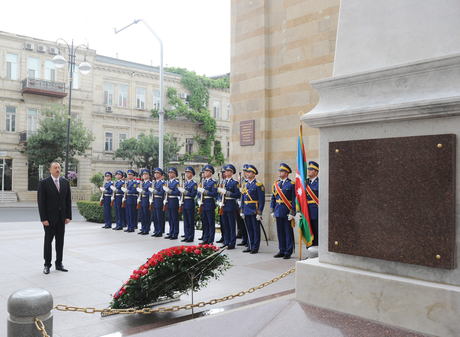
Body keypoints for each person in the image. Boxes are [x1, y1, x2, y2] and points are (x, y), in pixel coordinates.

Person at [37, 162, 72, 274]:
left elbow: (68, 201)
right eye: (55, 168)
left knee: (60, 242)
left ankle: (59, 263)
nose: (57, 169)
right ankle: (47, 264)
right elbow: (41, 202)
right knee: (48, 242)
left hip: (61, 218)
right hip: (49, 218)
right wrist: (43, 218)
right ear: (50, 170)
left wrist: (68, 216)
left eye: (59, 168)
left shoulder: (65, 183)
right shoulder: (44, 183)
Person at [270, 163, 296, 259]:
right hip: (278, 211)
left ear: (286, 173)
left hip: (287, 211)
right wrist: (272, 210)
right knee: (280, 232)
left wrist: (293, 212)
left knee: (288, 232)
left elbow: (294, 199)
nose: (279, 172)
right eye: (279, 171)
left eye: (281, 171)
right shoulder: (276, 184)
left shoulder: (292, 184)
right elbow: (273, 198)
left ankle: (288, 251)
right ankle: (281, 250)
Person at [240, 165, 265, 254]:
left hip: (254, 209)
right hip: (246, 209)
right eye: (246, 172)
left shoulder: (258, 184)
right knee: (249, 229)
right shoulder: (245, 184)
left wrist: (260, 213)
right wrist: (242, 210)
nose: (247, 173)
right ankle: (250, 245)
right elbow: (243, 199)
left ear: (254, 174)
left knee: (255, 229)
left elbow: (262, 200)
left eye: (249, 172)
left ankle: (255, 247)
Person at [217, 164, 241, 249]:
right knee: (225, 224)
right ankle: (226, 241)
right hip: (223, 205)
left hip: (231, 205)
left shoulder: (234, 183)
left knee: (231, 225)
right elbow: (219, 194)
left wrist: (227, 193)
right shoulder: (222, 182)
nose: (225, 172)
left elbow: (237, 194)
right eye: (225, 171)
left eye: (227, 171)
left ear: (231, 172)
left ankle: (232, 242)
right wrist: (219, 201)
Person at [197, 165, 218, 244]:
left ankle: (210, 239)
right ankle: (205, 238)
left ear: (211, 173)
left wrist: (205, 192)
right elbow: (199, 192)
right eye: (205, 171)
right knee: (204, 222)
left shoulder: (213, 182)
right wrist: (199, 199)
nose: (205, 172)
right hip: (203, 204)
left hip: (209, 203)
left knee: (210, 222)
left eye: (207, 171)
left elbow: (214, 193)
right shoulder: (203, 182)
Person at [178, 166, 197, 242]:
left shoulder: (194, 184)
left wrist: (184, 192)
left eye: (188, 172)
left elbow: (193, 194)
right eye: (186, 172)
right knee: (185, 220)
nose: (187, 174)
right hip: (185, 202)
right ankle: (186, 235)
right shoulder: (185, 183)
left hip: (190, 202)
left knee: (190, 220)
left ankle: (191, 236)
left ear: (192, 174)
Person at [163, 167, 181, 240]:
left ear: (174, 174)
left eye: (171, 173)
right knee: (170, 218)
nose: (170, 174)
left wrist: (170, 191)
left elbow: (178, 192)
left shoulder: (176, 183)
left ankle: (175, 233)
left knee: (174, 218)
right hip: (169, 201)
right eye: (169, 173)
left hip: (174, 201)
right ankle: (171, 232)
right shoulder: (168, 183)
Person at [306, 161, 319, 252]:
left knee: (316, 233)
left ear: (316, 172)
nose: (309, 171)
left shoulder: (320, 183)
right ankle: (309, 252)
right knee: (308, 233)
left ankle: (317, 253)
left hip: (315, 212)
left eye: (311, 170)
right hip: (306, 212)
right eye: (308, 169)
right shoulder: (305, 183)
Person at [236, 164, 249, 247]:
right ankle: (244, 239)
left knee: (247, 224)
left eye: (246, 171)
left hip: (247, 205)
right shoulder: (243, 182)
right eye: (244, 171)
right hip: (241, 204)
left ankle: (248, 240)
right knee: (241, 223)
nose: (244, 172)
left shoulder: (249, 182)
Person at [150, 168, 165, 237]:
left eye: (158, 173)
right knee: (155, 217)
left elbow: (161, 193)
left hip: (159, 201)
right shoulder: (154, 183)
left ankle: (159, 231)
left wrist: (155, 191)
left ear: (160, 175)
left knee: (159, 217)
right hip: (154, 201)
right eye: (155, 173)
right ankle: (156, 230)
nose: (156, 174)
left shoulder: (162, 183)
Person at [138, 169, 152, 235]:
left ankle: (147, 229)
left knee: (147, 216)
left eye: (146, 174)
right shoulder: (142, 184)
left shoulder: (150, 184)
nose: (144, 175)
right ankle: (143, 228)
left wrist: (143, 192)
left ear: (148, 176)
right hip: (142, 200)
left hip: (146, 201)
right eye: (143, 174)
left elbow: (150, 193)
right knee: (142, 216)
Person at [216, 165, 227, 244]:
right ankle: (223, 236)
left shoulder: (227, 182)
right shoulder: (220, 182)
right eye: (221, 172)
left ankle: (226, 238)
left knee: (226, 223)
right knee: (222, 222)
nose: (221, 174)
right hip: (221, 205)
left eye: (223, 172)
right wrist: (218, 200)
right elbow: (218, 194)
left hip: (226, 204)